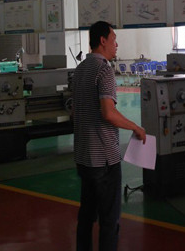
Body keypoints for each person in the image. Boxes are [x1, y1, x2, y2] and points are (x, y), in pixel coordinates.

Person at [73, 20, 146, 251]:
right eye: (114, 39)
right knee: (109, 220)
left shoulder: (80, 69)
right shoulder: (104, 69)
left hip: (84, 157)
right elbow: (108, 113)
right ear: (103, 41)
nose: (117, 44)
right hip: (104, 159)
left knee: (86, 217)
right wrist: (135, 127)